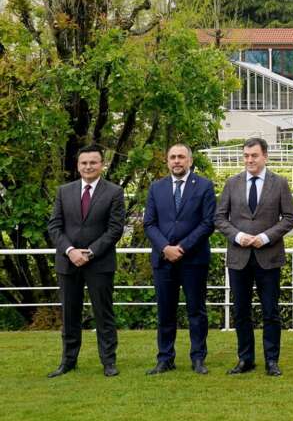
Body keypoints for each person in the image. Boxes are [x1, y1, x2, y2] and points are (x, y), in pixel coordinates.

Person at [215, 137, 293, 377]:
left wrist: (266, 237)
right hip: (239, 256)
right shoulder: (232, 183)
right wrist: (238, 235)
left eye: (254, 156)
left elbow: (290, 218)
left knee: (270, 311)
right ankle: (245, 359)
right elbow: (219, 218)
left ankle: (272, 360)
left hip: (268, 256)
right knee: (241, 311)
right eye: (246, 156)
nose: (249, 160)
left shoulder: (279, 183)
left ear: (265, 156)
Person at [47, 145, 126, 378]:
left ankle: (109, 362)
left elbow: (114, 230)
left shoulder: (114, 192)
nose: (88, 166)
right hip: (68, 262)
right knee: (70, 313)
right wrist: (70, 251)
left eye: (93, 162)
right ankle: (68, 361)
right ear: (78, 165)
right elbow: (54, 226)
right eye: (84, 163)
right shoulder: (64, 191)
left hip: (99, 264)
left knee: (104, 314)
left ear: (102, 164)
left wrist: (90, 252)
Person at [143, 144, 217, 375]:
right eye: (172, 157)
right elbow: (149, 223)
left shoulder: (204, 186)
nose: (177, 161)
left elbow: (208, 223)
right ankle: (165, 358)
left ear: (190, 161)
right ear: (167, 161)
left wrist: (182, 248)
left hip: (193, 260)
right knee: (165, 311)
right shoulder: (156, 188)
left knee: (196, 311)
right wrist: (165, 247)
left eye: (181, 157)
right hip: (164, 260)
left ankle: (198, 358)